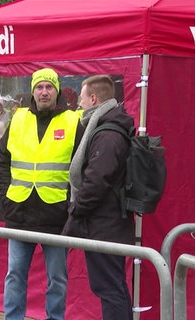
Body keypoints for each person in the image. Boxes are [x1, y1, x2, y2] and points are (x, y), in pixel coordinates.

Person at [0, 68, 84, 320]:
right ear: (33, 91)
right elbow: (2, 161)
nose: (44, 92)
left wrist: (72, 207)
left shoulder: (72, 121)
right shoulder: (19, 118)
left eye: (49, 87)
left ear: (58, 91)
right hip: (19, 212)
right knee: (14, 276)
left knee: (57, 279)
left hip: (56, 216)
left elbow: (82, 169)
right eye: (39, 87)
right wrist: (6, 197)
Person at [64, 75, 135, 320]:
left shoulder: (107, 133)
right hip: (109, 222)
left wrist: (76, 212)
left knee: (109, 289)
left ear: (93, 99)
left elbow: (96, 181)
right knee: (114, 286)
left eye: (82, 99)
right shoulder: (110, 125)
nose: (79, 105)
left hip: (104, 224)